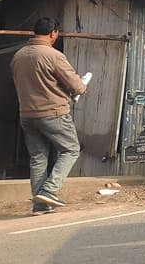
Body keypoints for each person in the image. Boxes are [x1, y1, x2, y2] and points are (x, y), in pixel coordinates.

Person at [10, 17, 88, 215]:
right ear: (53, 33)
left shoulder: (18, 56)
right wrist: (82, 84)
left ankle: (40, 204)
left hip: (27, 114)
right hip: (53, 113)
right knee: (71, 150)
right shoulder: (53, 55)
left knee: (38, 157)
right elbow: (77, 86)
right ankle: (50, 190)